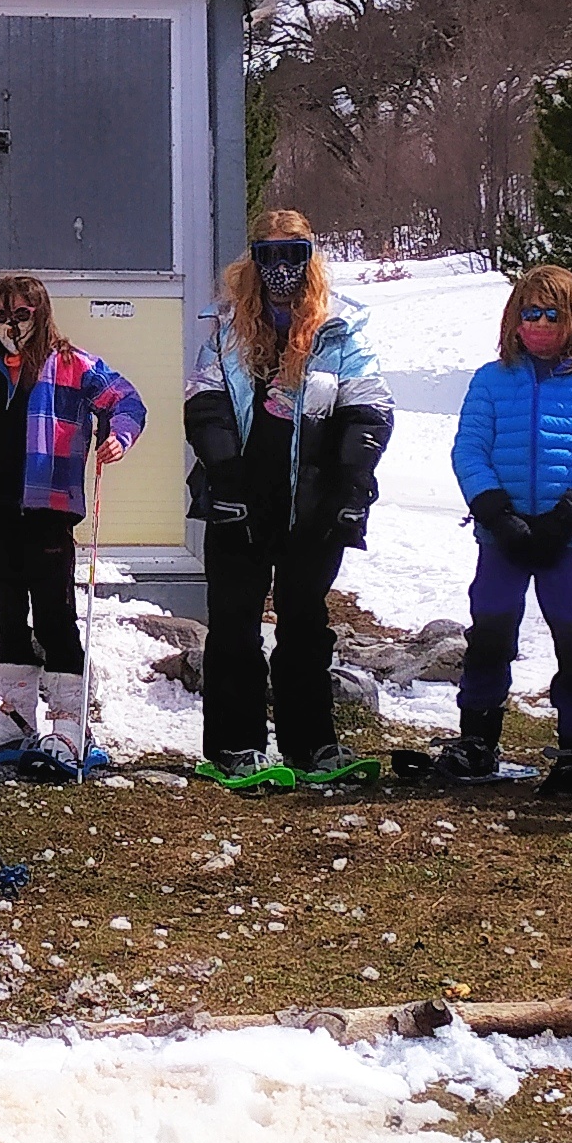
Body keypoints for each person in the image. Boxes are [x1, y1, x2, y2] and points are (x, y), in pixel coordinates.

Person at [181, 211, 396, 791]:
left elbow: (369, 408)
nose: (280, 268)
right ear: (253, 260)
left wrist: (353, 484)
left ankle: (311, 745)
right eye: (268, 255)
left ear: (311, 259)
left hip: (313, 504)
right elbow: (204, 404)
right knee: (234, 626)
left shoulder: (341, 330)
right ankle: (235, 746)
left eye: (293, 255)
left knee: (305, 624)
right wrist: (224, 474)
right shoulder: (225, 330)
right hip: (239, 503)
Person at [0, 274, 142, 774]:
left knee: (53, 614)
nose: (11, 326)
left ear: (40, 314)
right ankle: (16, 714)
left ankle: (69, 720)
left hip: (47, 508)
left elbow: (127, 400)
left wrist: (120, 436)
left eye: (21, 315)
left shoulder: (73, 364)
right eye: (0, 317)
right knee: (4, 609)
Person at [443, 265, 572, 799]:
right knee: (490, 634)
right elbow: (469, 450)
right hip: (501, 536)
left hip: (568, 540)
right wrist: (495, 513)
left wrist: (570, 513)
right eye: (531, 313)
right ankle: (477, 739)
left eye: (552, 314)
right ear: (515, 318)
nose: (541, 324)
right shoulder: (491, 378)